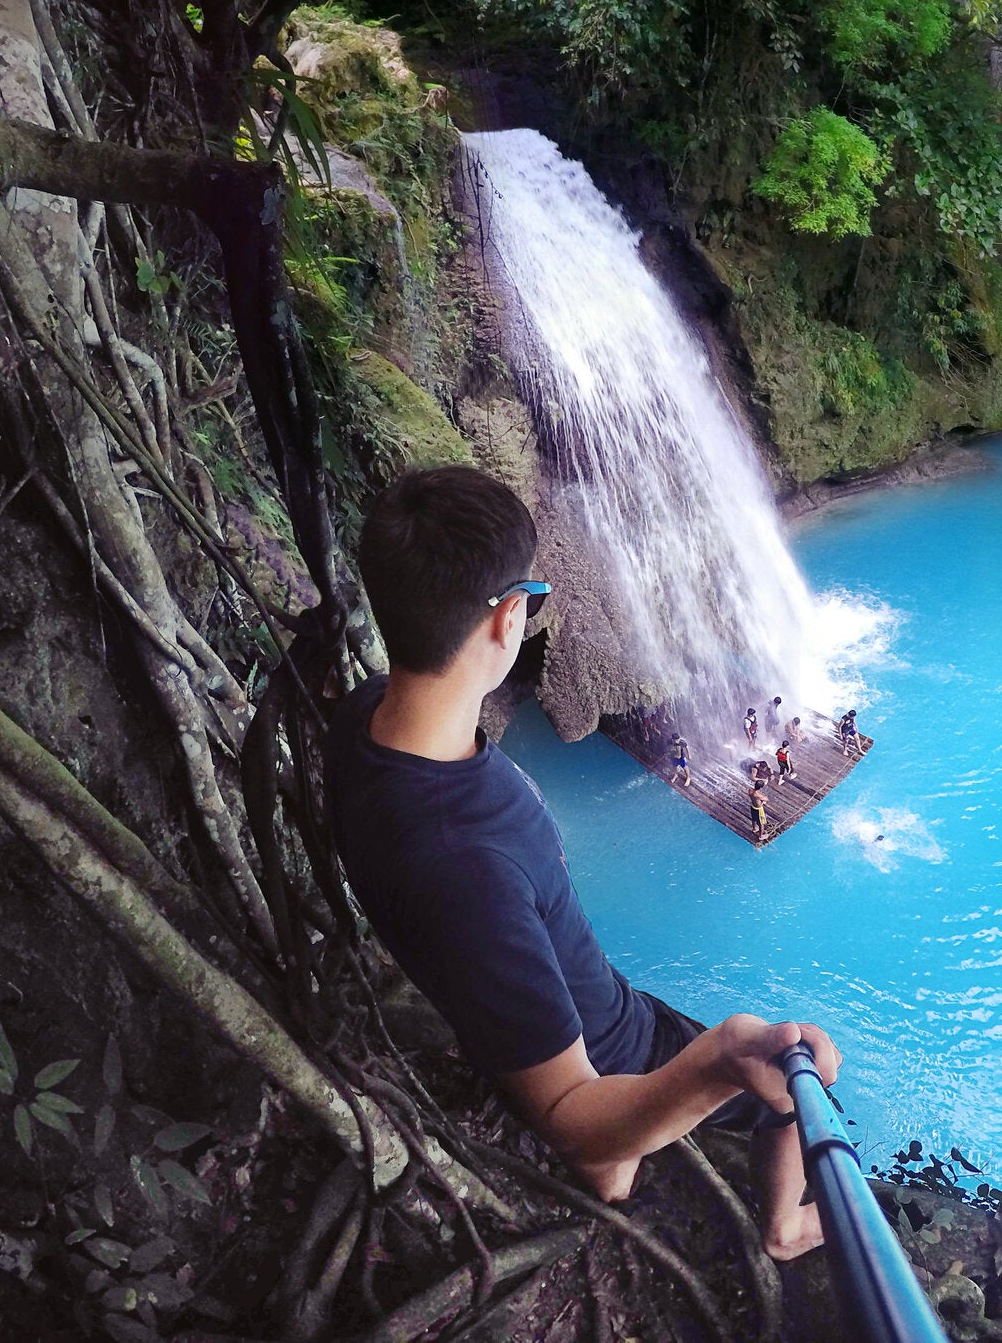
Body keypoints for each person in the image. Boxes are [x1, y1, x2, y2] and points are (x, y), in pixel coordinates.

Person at [326, 466, 839, 1261]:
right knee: (801, 1091)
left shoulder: (364, 720)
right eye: (533, 594)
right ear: (505, 620)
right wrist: (717, 1060)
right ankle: (784, 1226)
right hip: (616, 1062)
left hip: (586, 1011)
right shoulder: (467, 870)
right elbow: (581, 1128)